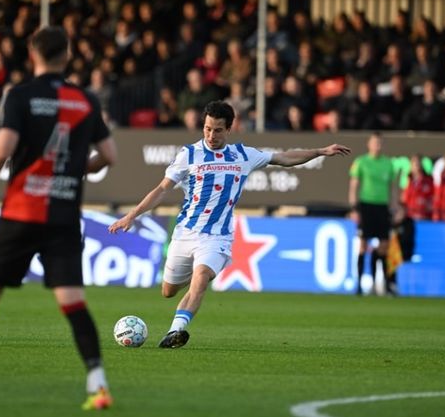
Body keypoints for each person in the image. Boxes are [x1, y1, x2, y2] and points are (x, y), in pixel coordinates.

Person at [0, 26, 118, 410]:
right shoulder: (85, 99)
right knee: (73, 302)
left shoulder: (20, 96)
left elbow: (1, 151)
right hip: (64, 217)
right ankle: (99, 386)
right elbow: (109, 155)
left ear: (32, 53)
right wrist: (77, 170)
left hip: (22, 213)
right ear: (67, 55)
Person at [108, 100, 350, 348]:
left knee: (201, 277)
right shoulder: (189, 154)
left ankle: (175, 331)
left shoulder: (243, 155)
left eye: (218, 130)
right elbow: (161, 189)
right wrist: (132, 215)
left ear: (229, 129)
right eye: (207, 129)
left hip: (217, 237)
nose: (211, 135)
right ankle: (192, 279)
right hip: (185, 233)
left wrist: (320, 151)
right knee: (168, 291)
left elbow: (285, 158)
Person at [348, 132, 398, 296]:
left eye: (380, 143)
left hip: (382, 207)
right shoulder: (361, 162)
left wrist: (394, 207)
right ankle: (359, 286)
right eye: (375, 142)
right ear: (369, 144)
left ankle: (383, 284)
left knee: (384, 246)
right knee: (363, 245)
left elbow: (392, 188)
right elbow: (354, 186)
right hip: (366, 206)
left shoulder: (388, 164)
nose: (378, 145)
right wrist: (354, 208)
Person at [401, 154, 434, 221]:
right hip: (410, 215)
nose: (416, 166)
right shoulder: (407, 179)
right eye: (414, 164)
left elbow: (432, 197)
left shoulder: (429, 180)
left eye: (418, 163)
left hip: (424, 215)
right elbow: (404, 198)